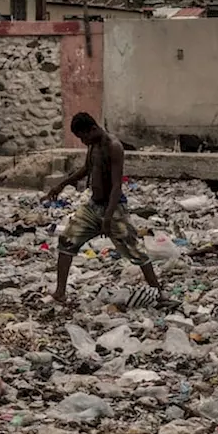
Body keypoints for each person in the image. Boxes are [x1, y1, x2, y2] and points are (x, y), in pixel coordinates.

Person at [45, 112, 161, 303]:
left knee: (134, 249)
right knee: (66, 242)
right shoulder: (93, 145)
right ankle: (60, 292)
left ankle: (158, 292)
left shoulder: (113, 147)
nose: (83, 141)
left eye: (84, 136)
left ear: (93, 129)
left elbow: (116, 185)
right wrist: (62, 184)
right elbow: (86, 169)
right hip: (93, 206)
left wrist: (107, 218)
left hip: (114, 208)